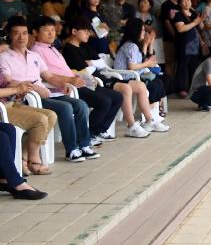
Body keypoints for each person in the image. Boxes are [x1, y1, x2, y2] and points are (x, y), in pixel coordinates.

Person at [0, 16, 98, 163]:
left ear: (29, 35)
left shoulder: (34, 56)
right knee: (65, 108)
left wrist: (62, 83)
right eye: (16, 33)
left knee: (81, 105)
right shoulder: (4, 57)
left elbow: (49, 76)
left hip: (45, 95)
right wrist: (36, 88)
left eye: (25, 33)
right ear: (9, 35)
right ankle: (71, 149)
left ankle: (84, 144)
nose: (21, 37)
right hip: (26, 97)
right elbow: (8, 81)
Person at [62, 17, 160, 138]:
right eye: (85, 31)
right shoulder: (68, 49)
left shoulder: (85, 46)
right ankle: (130, 125)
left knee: (132, 89)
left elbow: (100, 63)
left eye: (89, 31)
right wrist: (93, 64)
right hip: (89, 82)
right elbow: (84, 69)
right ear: (74, 31)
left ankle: (147, 121)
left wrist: (92, 63)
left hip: (101, 78)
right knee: (123, 90)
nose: (89, 33)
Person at [32, 16, 123, 142]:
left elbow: (68, 70)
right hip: (64, 88)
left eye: (53, 30)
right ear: (35, 32)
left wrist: (85, 77)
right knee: (104, 101)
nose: (51, 33)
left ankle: (97, 131)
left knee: (117, 97)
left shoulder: (52, 48)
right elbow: (48, 75)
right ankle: (89, 134)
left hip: (76, 82)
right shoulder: (36, 51)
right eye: (46, 30)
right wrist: (70, 80)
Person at [113, 18, 169, 132]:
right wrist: (147, 63)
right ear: (136, 30)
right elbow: (132, 66)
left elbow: (138, 63)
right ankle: (149, 121)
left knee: (151, 84)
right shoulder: (130, 46)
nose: (144, 32)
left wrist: (147, 47)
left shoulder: (133, 45)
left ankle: (151, 120)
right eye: (142, 30)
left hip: (131, 77)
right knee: (146, 85)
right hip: (123, 78)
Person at [172, 0, 204, 96]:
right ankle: (182, 89)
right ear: (180, 3)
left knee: (194, 66)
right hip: (184, 45)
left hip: (195, 45)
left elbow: (200, 28)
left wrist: (201, 19)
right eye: (184, 1)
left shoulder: (194, 14)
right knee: (183, 67)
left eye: (188, 0)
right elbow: (180, 28)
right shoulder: (178, 15)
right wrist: (195, 22)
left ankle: (193, 87)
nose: (187, 2)